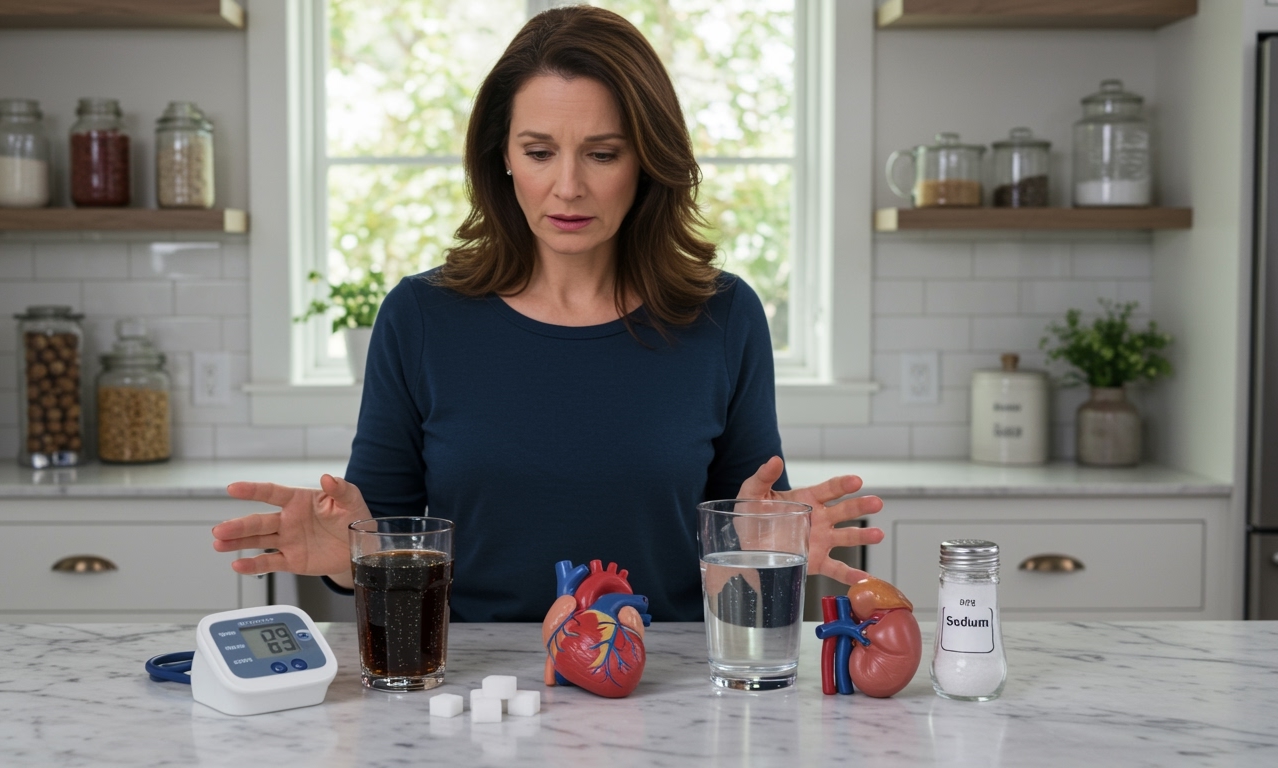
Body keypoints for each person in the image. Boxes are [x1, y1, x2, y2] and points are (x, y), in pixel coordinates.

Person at [212, 5, 883, 622]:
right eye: (539, 152)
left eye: (603, 153)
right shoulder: (420, 317)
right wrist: (350, 561)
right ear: (502, 156)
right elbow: (375, 541)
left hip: (664, 683)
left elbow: (751, 534)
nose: (568, 186)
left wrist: (768, 555)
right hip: (476, 686)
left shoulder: (723, 317)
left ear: (647, 161)